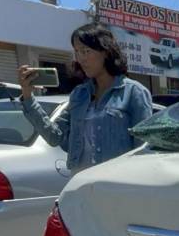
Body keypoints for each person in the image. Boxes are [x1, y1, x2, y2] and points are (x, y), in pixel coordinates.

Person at [20, 23, 153, 172]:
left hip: (117, 185)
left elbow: (144, 149)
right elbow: (54, 136)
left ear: (106, 51)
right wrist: (28, 96)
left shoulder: (134, 93)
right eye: (77, 52)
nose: (81, 59)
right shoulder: (79, 94)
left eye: (86, 51)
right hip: (81, 183)